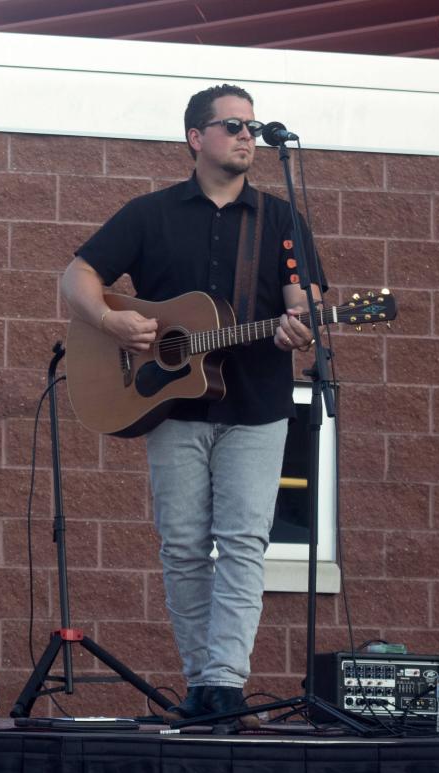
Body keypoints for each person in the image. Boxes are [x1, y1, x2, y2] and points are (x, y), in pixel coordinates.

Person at [59, 83, 324, 722]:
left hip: (257, 404)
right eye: (231, 125)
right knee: (181, 546)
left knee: (241, 543)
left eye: (252, 128)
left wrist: (303, 324)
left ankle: (224, 684)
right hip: (169, 405)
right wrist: (110, 321)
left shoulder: (281, 219)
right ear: (194, 137)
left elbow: (302, 300)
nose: (246, 137)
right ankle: (201, 679)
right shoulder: (149, 215)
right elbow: (76, 275)